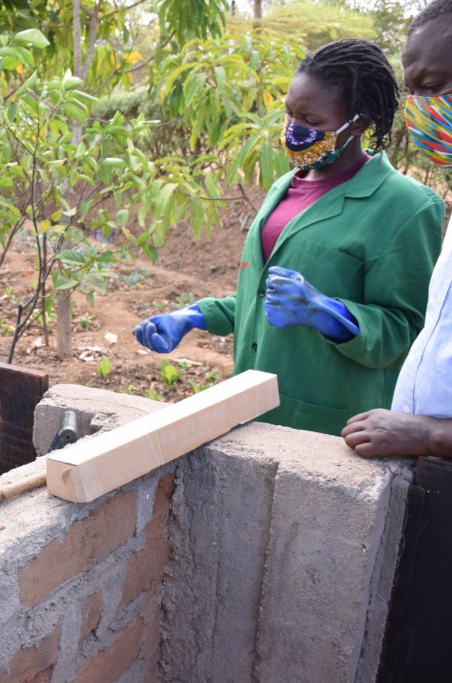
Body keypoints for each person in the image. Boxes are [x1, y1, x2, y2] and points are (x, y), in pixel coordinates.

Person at [133, 39, 445, 436]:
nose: (294, 131)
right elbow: (265, 295)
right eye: (289, 114)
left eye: (312, 122)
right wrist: (194, 316)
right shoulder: (285, 186)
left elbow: (405, 331)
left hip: (331, 428)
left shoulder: (406, 206)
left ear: (360, 122)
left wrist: (328, 313)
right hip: (250, 410)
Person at [342, 0, 452, 457]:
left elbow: (396, 322)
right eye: (416, 93)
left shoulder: (407, 205)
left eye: (435, 86)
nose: (424, 110)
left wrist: (430, 436)